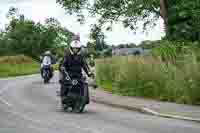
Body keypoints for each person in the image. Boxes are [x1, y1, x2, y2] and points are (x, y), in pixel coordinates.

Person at [59, 35, 93, 104]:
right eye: (74, 48)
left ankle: (85, 98)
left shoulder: (81, 57)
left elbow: (85, 65)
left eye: (77, 49)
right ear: (71, 48)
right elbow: (62, 64)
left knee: (84, 83)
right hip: (68, 74)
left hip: (78, 74)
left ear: (79, 49)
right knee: (64, 82)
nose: (75, 50)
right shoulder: (67, 55)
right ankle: (63, 96)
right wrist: (62, 68)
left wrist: (89, 73)